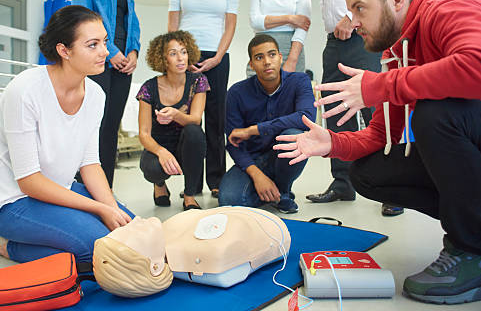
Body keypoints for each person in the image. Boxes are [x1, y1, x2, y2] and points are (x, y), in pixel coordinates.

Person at [274, 0, 481, 304]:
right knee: (369, 173)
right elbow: (379, 135)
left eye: (360, 9)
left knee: (437, 113)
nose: (353, 22)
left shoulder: (447, 10)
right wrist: (331, 142)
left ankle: (474, 251)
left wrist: (385, 85)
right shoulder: (397, 52)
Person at [0, 5, 134, 264]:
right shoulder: (25, 90)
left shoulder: (95, 95)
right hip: (9, 200)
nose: (105, 51)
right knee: (97, 251)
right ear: (64, 50)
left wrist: (111, 209)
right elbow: (29, 181)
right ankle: (5, 245)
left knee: (130, 235)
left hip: (59, 189)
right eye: (92, 45)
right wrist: (99, 208)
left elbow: (90, 163)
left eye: (104, 42)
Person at [308, 0, 402, 216]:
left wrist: (352, 18)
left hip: (366, 39)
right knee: (335, 108)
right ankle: (342, 182)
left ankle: (394, 187)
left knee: (379, 108)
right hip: (334, 43)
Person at [168, 0, 239, 199]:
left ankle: (217, 179)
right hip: (186, 55)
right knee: (190, 120)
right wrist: (175, 55)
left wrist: (218, 57)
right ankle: (192, 183)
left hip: (217, 56)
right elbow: (173, 23)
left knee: (215, 119)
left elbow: (230, 25)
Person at [69, 0, 141, 188]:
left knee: (111, 127)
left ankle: (105, 190)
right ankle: (83, 191)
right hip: (99, 59)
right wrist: (109, 52)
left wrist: (132, 52)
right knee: (92, 128)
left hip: (123, 64)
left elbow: (132, 22)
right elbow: (83, 16)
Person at [93, 207, 290, 296]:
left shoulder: (168, 233)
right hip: (272, 227)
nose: (133, 222)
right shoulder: (206, 252)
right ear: (154, 266)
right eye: (130, 233)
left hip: (263, 220)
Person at [219, 35, 316, 214]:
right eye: (259, 57)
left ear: (280, 57)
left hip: (283, 155)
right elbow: (233, 143)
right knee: (229, 201)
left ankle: (283, 190)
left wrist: (255, 129)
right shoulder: (236, 93)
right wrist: (256, 175)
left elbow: (307, 117)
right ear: (251, 64)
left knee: (294, 135)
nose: (267, 62)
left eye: (271, 55)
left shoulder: (299, 81)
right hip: (253, 160)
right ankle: (270, 190)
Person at [136, 31, 209, 210]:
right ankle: (159, 185)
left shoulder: (198, 81)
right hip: (158, 146)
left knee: (195, 132)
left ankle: (189, 195)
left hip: (185, 145)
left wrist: (175, 114)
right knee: (152, 169)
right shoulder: (149, 88)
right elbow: (144, 134)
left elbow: (195, 120)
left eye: (183, 52)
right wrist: (161, 152)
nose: (180, 58)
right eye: (173, 53)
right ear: (163, 59)